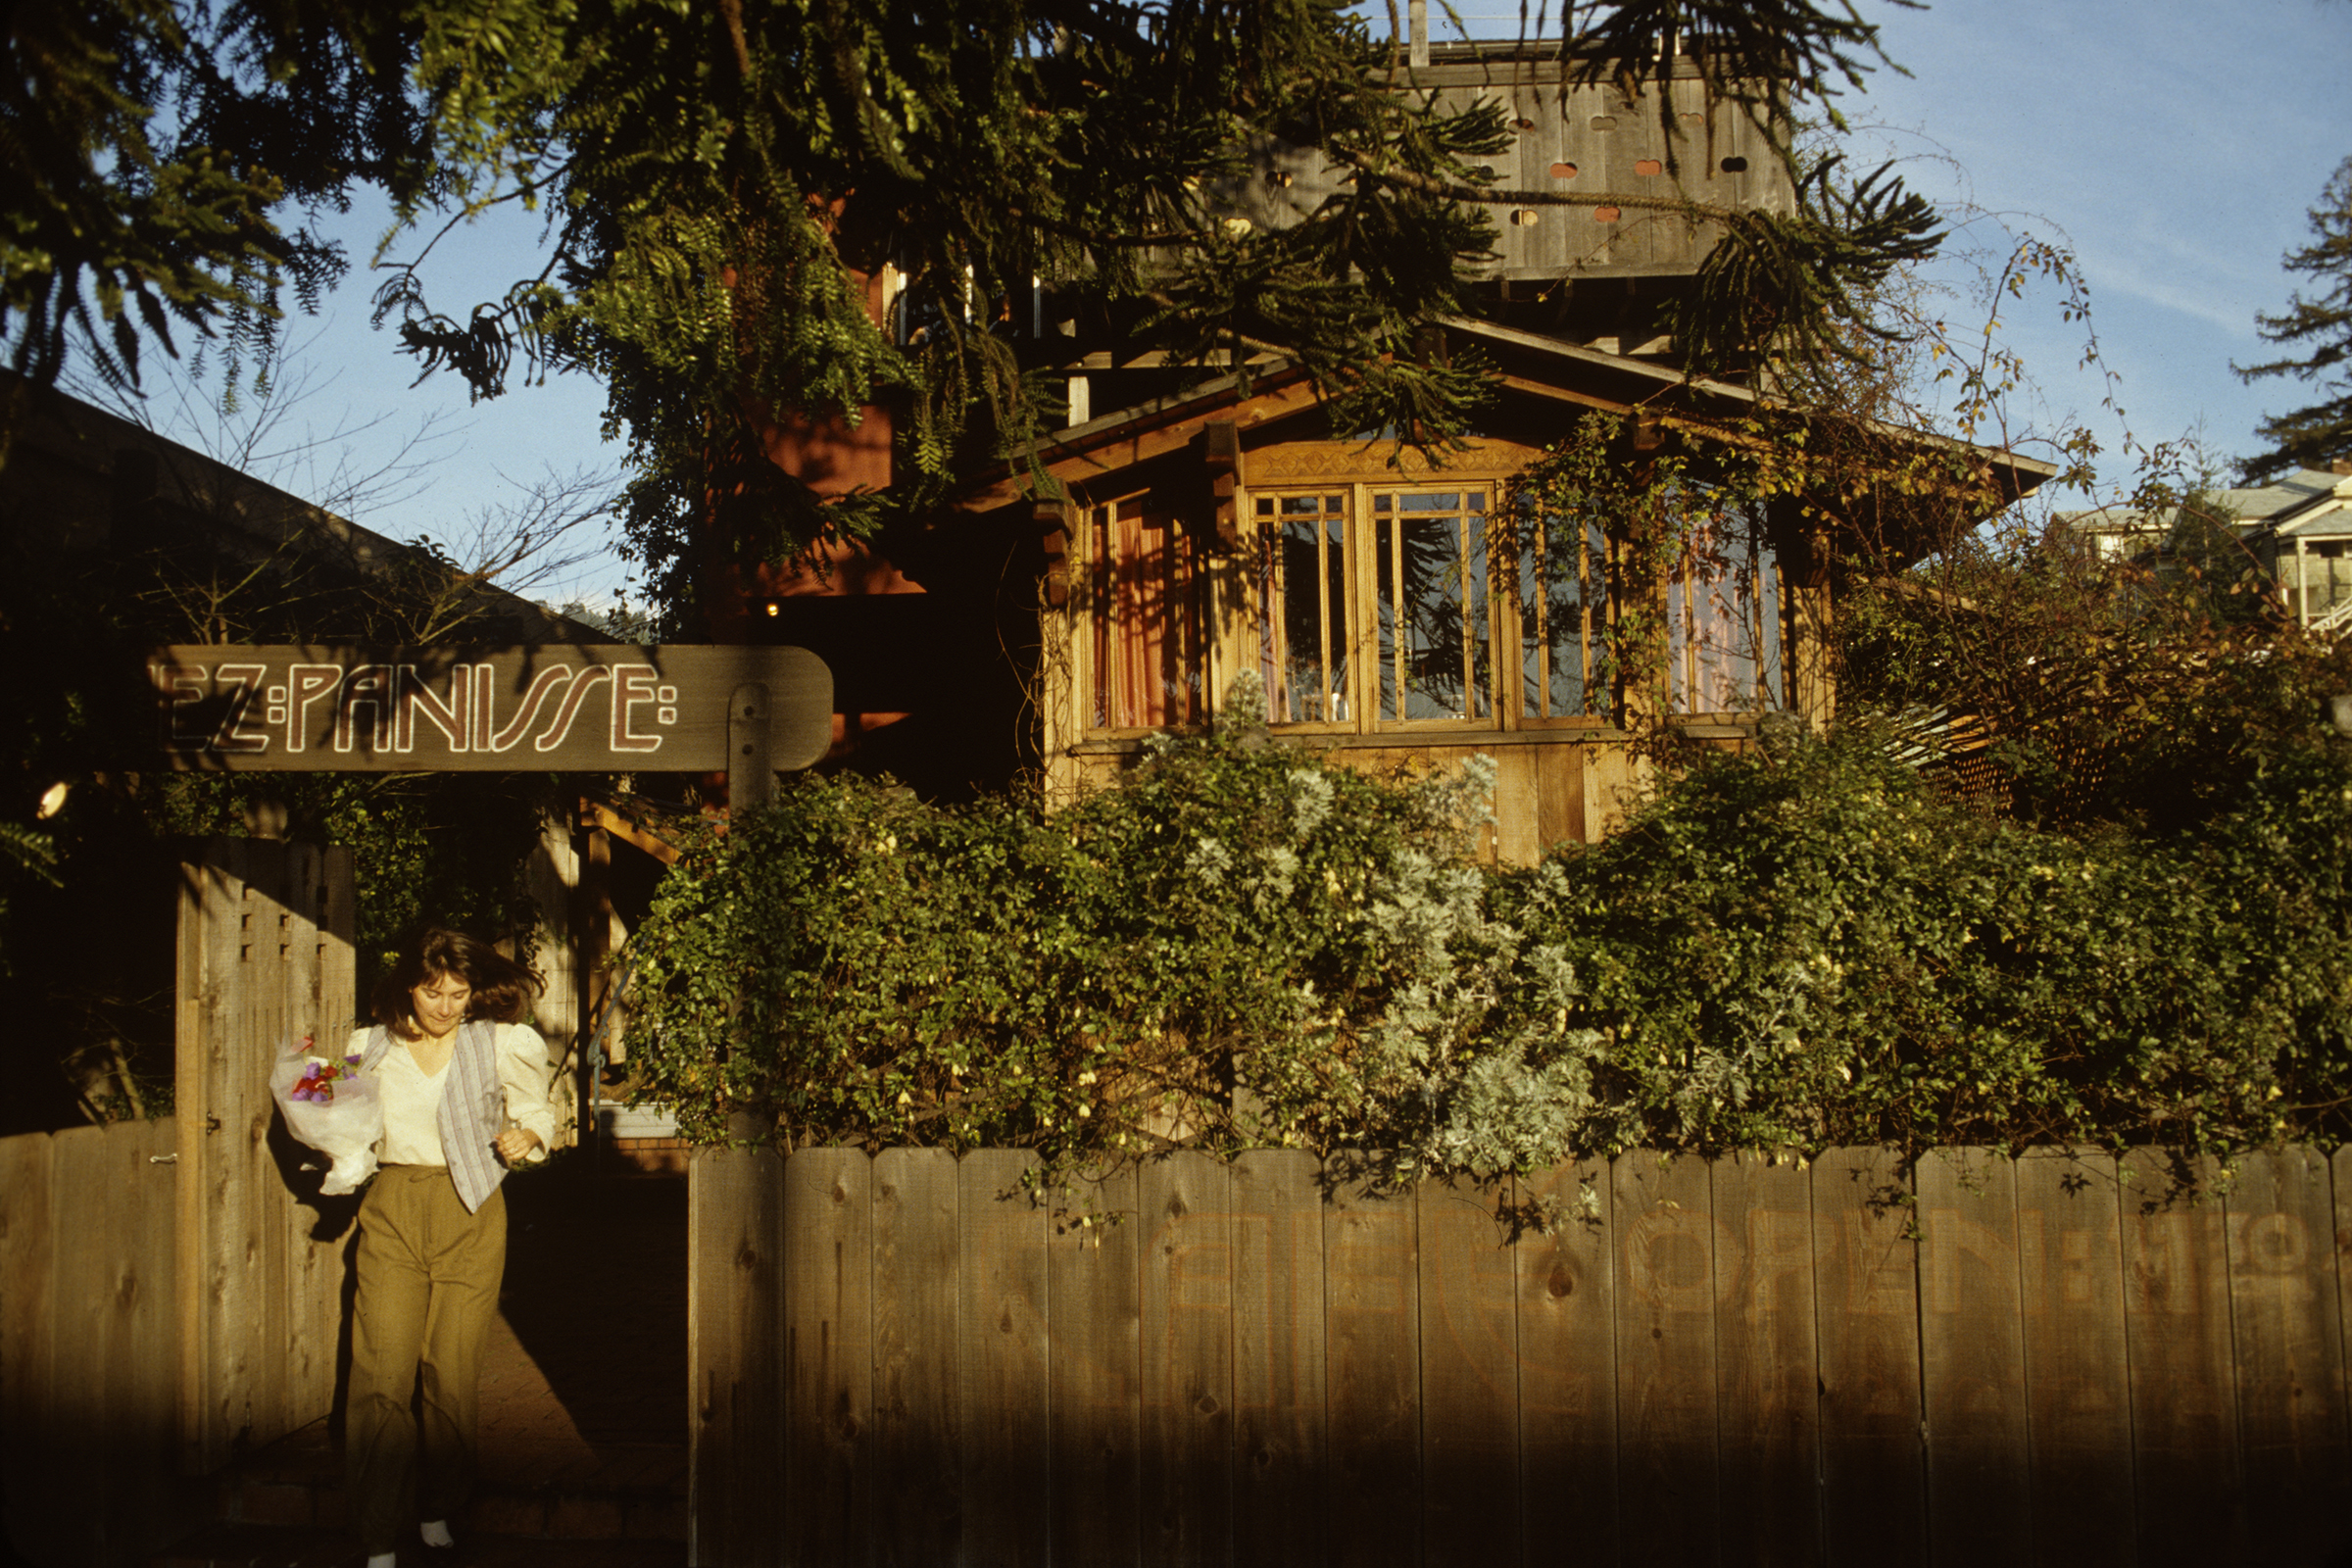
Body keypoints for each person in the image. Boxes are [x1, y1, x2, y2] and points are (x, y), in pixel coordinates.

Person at [344, 928, 558, 1568]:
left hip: (472, 1208)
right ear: (408, 986)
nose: (444, 1007)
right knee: (380, 1374)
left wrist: (526, 1137)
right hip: (392, 1208)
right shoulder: (366, 1044)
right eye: (432, 992)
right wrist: (309, 1095)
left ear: (475, 992)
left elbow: (539, 1114)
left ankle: (439, 1503)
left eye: (458, 994)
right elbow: (322, 1105)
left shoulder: (505, 1042)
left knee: (451, 1373)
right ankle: (378, 1534)